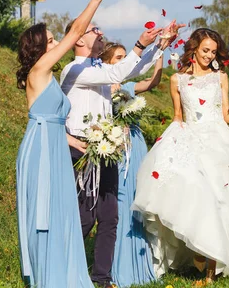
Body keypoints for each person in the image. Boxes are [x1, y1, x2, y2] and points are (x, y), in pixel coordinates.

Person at [132, 28, 229, 283]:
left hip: (219, 142)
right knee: (198, 198)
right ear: (194, 49)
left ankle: (213, 267)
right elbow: (178, 117)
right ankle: (200, 251)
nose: (209, 56)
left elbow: (224, 116)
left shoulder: (219, 77)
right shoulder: (177, 80)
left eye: (213, 51)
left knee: (221, 199)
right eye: (205, 51)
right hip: (190, 141)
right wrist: (172, 144)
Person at [60, 17, 179, 287]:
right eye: (94, 30)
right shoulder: (74, 70)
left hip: (106, 149)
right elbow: (118, 73)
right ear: (79, 39)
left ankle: (102, 278)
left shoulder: (98, 67)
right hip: (82, 150)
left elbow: (133, 69)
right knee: (85, 217)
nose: (100, 32)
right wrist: (140, 43)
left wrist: (160, 46)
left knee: (110, 217)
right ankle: (67, 271)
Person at [15, 0, 116, 287]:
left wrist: (74, 140)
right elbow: (75, 33)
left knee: (63, 212)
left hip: (56, 145)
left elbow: (52, 118)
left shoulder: (50, 77)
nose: (58, 42)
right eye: (51, 40)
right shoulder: (40, 70)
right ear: (41, 49)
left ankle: (62, 271)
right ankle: (48, 275)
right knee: (47, 213)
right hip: (42, 151)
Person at [100, 42, 163, 287]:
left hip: (135, 146)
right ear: (107, 62)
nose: (125, 60)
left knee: (137, 198)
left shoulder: (128, 86)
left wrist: (160, 54)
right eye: (119, 57)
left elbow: (152, 83)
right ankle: (115, 263)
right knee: (119, 201)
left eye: (125, 56)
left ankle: (141, 262)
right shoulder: (100, 87)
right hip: (114, 146)